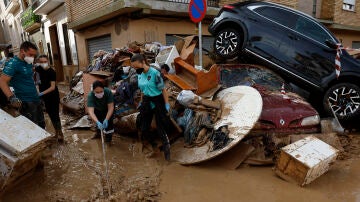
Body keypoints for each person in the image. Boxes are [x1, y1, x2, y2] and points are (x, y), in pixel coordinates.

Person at [131, 54, 171, 161]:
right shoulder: (139, 73)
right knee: (143, 126)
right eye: (133, 67)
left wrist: (166, 104)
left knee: (160, 127)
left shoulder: (155, 73)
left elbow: (163, 90)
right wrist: (141, 101)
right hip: (146, 100)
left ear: (143, 62)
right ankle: (155, 147)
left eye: (136, 66)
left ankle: (167, 155)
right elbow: (143, 89)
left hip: (157, 100)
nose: (135, 69)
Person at [0, 41, 45, 128]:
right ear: (22, 51)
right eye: (30, 54)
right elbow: (2, 81)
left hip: (35, 99)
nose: (32, 57)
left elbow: (29, 79)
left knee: (41, 126)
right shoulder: (13, 63)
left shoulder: (28, 62)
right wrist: (11, 97)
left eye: (33, 56)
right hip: (25, 102)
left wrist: (38, 96)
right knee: (32, 128)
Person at [36, 55, 64, 142]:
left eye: (45, 61)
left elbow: (52, 87)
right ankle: (56, 133)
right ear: (39, 62)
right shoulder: (38, 69)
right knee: (50, 115)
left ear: (48, 61)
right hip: (45, 97)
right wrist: (37, 87)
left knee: (55, 115)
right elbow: (36, 78)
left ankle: (60, 134)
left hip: (53, 96)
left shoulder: (52, 72)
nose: (43, 63)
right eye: (41, 62)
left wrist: (40, 94)